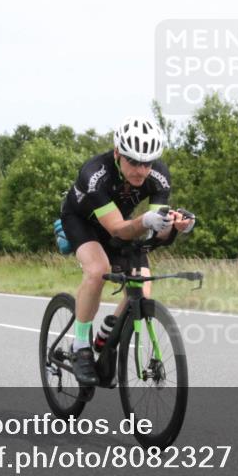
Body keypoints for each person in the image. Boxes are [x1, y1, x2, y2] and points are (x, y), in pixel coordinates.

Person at [58, 116, 195, 385]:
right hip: (83, 222)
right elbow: (118, 230)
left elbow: (156, 232)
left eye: (147, 163)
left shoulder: (158, 176)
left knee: (142, 288)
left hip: (122, 222)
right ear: (117, 153)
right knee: (98, 270)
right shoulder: (95, 173)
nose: (141, 170)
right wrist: (145, 221)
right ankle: (80, 346)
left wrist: (176, 226)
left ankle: (107, 334)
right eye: (133, 161)